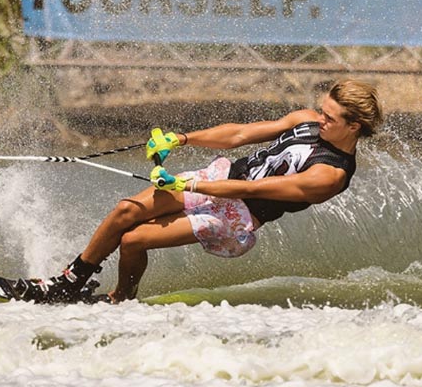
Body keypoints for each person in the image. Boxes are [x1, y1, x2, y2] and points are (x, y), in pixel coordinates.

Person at [21, 79, 383, 304]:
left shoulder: (330, 174)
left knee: (134, 240)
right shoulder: (306, 119)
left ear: (354, 127)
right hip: (222, 175)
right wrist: (181, 138)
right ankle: (69, 282)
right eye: (323, 110)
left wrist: (190, 184)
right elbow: (239, 134)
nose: (321, 119)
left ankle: (120, 300)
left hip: (237, 214)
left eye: (330, 118)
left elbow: (250, 188)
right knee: (125, 210)